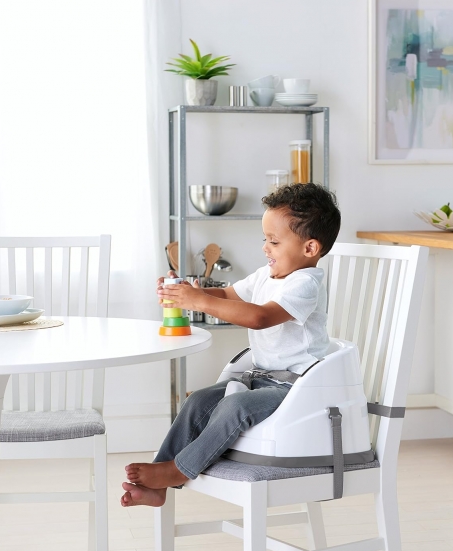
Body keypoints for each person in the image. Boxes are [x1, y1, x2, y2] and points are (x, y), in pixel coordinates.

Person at [121, 182, 341, 507]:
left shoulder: (305, 284)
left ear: (310, 248)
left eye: (274, 241)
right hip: (261, 379)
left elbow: (260, 317)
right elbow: (227, 295)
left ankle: (178, 470)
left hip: (297, 390)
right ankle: (159, 484)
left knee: (235, 407)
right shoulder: (266, 275)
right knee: (199, 400)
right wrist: (186, 292)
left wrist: (197, 301)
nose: (265, 248)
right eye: (265, 239)